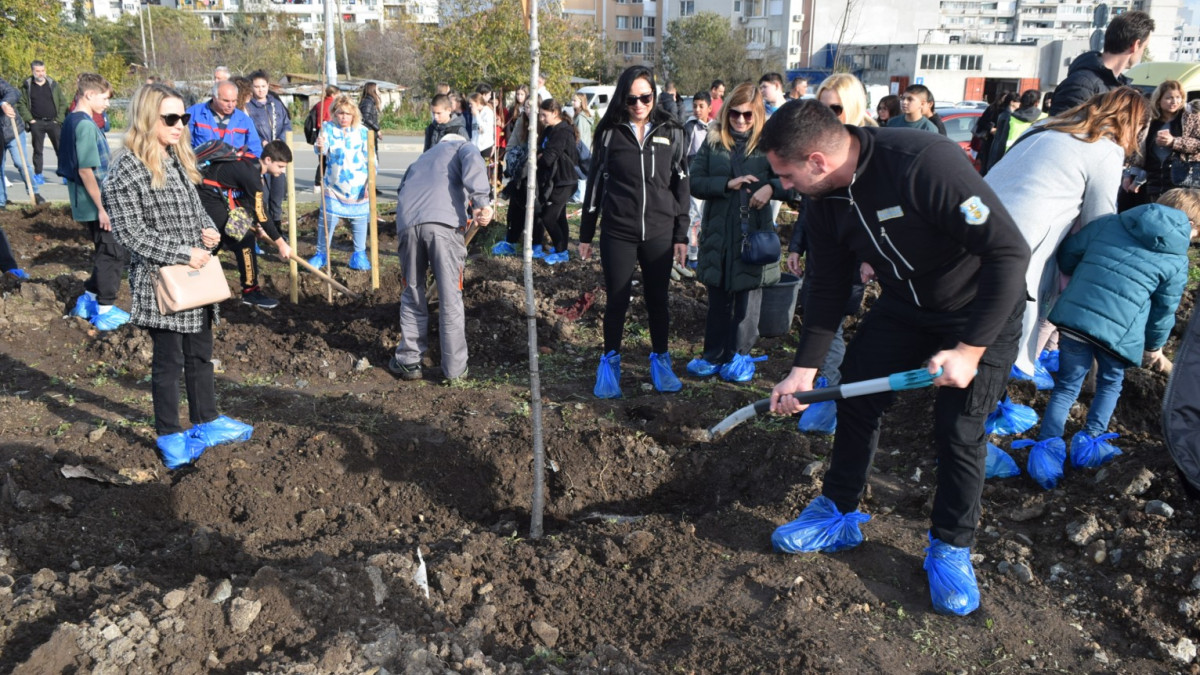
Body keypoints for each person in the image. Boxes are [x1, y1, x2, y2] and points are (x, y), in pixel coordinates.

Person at [763, 99, 1029, 617]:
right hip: (906, 306)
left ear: (817, 160)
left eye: (787, 175)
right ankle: (837, 512)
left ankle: (951, 547)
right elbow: (827, 284)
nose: (785, 187)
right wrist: (803, 370)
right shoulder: (824, 200)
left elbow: (1008, 252)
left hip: (979, 311)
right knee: (857, 399)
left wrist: (970, 351)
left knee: (959, 429)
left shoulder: (923, 162)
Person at [104, 83, 254, 469]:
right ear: (146, 118)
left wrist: (209, 231)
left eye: (183, 117)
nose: (179, 125)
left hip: (196, 276)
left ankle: (207, 420)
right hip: (163, 282)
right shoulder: (126, 167)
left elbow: (194, 207)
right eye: (170, 118)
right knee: (168, 362)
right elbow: (129, 232)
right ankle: (171, 434)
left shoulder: (175, 156)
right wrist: (183, 252)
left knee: (200, 355)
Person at [1025, 190, 1198, 476]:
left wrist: (1078, 274)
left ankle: (1046, 449)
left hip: (1075, 318)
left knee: (1067, 386)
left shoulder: (1113, 222)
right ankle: (1090, 445)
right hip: (1121, 335)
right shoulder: (1177, 259)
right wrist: (1154, 346)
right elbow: (1163, 310)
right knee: (1109, 384)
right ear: (1192, 225)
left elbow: (1070, 251)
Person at [985, 87, 1147, 376]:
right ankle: (988, 403)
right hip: (1018, 241)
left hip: (974, 217)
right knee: (1003, 336)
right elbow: (1099, 222)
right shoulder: (1105, 149)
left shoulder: (1043, 127)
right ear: (1135, 125)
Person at [579, 65, 690, 398]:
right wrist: (586, 233)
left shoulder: (672, 132)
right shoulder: (610, 134)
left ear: (654, 96)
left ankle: (661, 361)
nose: (639, 105)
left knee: (658, 300)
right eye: (632, 99)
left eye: (646, 97)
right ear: (622, 99)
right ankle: (610, 363)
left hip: (659, 231)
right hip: (618, 231)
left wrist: (681, 234)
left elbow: (682, 185)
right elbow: (595, 186)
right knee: (617, 299)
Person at [685, 83, 781, 382]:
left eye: (747, 115)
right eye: (735, 114)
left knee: (748, 301)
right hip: (718, 234)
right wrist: (727, 184)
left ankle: (740, 355)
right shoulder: (714, 142)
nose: (740, 121)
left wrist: (770, 187)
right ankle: (713, 354)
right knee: (717, 298)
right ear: (726, 113)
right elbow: (695, 181)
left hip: (753, 233)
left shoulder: (770, 145)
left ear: (758, 115)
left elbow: (792, 179)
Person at [390, 122, 493, 382]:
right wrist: (481, 202)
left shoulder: (421, 159)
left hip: (407, 225)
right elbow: (473, 161)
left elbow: (402, 191)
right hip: (444, 227)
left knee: (412, 291)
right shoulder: (463, 147)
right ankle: (455, 370)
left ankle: (409, 361)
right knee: (450, 297)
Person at [58, 73, 130, 330]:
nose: (108, 104)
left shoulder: (72, 120)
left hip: (86, 201)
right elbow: (86, 170)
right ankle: (106, 310)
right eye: (105, 98)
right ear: (89, 95)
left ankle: (88, 299)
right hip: (96, 202)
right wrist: (103, 209)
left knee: (104, 251)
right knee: (112, 253)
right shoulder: (86, 125)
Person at [195, 139, 294, 309]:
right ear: (268, 160)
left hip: (216, 196)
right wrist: (281, 243)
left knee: (225, 239)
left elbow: (249, 206)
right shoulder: (252, 175)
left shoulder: (251, 164)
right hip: (207, 196)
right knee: (244, 239)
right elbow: (262, 212)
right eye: (280, 166)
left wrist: (257, 227)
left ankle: (197, 281)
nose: (282, 171)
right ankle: (251, 292)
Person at [1049, 10, 1154, 116]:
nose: (1142, 53)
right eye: (1144, 48)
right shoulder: (1082, 84)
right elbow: (1060, 129)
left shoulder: (1121, 86)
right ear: (1135, 45)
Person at [310, 95, 372, 271]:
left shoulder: (363, 132)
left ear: (354, 115)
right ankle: (321, 254)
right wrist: (320, 145)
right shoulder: (328, 128)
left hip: (358, 186)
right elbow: (321, 150)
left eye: (347, 113)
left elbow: (371, 159)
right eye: (340, 113)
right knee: (327, 221)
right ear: (334, 113)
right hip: (333, 185)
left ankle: (359, 254)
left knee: (359, 221)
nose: (343, 117)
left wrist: (369, 184)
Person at [1121, 80, 1200, 211]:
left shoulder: (1191, 117)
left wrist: (1174, 142)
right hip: (1152, 179)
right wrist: (1128, 174)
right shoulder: (1149, 120)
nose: (1174, 101)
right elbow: (1135, 149)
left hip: (1182, 179)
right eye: (1169, 98)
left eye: (1178, 97)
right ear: (1159, 100)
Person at [245, 70, 292, 234]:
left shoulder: (276, 104)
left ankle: (277, 229)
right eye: (256, 87)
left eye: (263, 86)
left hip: (277, 155)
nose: (260, 90)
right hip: (260, 156)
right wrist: (261, 143)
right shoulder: (247, 107)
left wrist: (281, 139)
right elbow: (248, 130)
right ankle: (262, 230)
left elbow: (287, 124)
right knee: (262, 196)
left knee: (277, 196)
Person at [534, 99, 579, 265]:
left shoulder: (562, 132)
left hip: (564, 181)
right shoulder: (550, 130)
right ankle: (562, 248)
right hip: (557, 180)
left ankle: (561, 252)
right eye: (540, 115)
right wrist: (541, 154)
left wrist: (541, 156)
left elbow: (547, 158)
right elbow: (540, 149)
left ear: (554, 113)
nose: (541, 119)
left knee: (549, 217)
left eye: (544, 115)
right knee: (559, 217)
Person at [16, 60, 68, 186]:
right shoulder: (27, 85)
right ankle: (38, 174)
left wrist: (59, 120)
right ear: (32, 71)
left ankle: (65, 174)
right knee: (38, 150)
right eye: (38, 71)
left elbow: (63, 103)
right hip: (36, 123)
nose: (41, 73)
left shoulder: (53, 84)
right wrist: (30, 119)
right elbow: (21, 103)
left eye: (43, 70)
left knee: (60, 149)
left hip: (53, 122)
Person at [187, 80, 263, 158]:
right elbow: (184, 145)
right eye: (226, 101)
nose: (231, 105)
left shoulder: (244, 120)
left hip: (232, 166)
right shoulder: (194, 113)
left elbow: (255, 149)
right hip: (201, 166)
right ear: (214, 98)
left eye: (234, 101)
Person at [683, 91, 713, 267]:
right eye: (694, 106)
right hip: (695, 176)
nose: (697, 109)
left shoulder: (716, 127)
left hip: (712, 176)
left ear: (709, 108)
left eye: (701, 106)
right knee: (694, 214)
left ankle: (707, 251)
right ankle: (692, 253)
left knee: (707, 215)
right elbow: (684, 154)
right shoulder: (690, 127)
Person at [986, 89, 1046, 172]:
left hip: (1009, 161)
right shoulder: (1045, 118)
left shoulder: (1011, 118)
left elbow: (1000, 143)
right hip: (1033, 164)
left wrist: (992, 167)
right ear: (1037, 103)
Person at [973, 93, 1017, 174]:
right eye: (1004, 97)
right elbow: (982, 121)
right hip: (989, 139)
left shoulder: (1010, 111)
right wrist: (991, 128)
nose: (1005, 100)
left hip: (998, 139)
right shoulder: (993, 108)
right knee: (986, 164)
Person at [469, 92, 495, 161]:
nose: (470, 106)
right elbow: (474, 130)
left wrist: (477, 115)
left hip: (485, 146)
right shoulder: (475, 113)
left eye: (471, 104)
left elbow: (484, 130)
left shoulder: (487, 112)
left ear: (477, 103)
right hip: (475, 146)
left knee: (484, 167)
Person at [359, 81, 383, 156]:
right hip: (368, 133)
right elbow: (366, 118)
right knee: (371, 156)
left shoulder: (370, 101)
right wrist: (377, 129)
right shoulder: (368, 102)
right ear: (372, 90)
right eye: (377, 89)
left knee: (373, 154)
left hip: (370, 132)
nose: (379, 92)